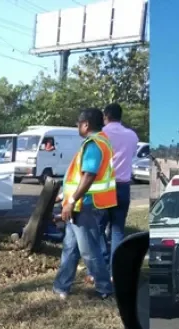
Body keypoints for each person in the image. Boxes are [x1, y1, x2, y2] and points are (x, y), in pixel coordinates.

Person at [52, 108, 117, 299]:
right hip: (82, 204)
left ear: (86, 124)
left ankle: (104, 288)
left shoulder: (93, 144)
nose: (77, 128)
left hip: (85, 205)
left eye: (78, 124)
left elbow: (89, 175)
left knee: (89, 250)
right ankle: (61, 286)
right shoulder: (101, 141)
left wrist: (71, 201)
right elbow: (78, 176)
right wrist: (64, 196)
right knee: (70, 247)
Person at [98, 103, 139, 271]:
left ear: (105, 116)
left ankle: (103, 261)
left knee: (98, 228)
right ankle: (115, 270)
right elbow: (132, 154)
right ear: (120, 116)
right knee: (117, 229)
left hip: (105, 186)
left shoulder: (101, 135)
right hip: (123, 186)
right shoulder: (132, 135)